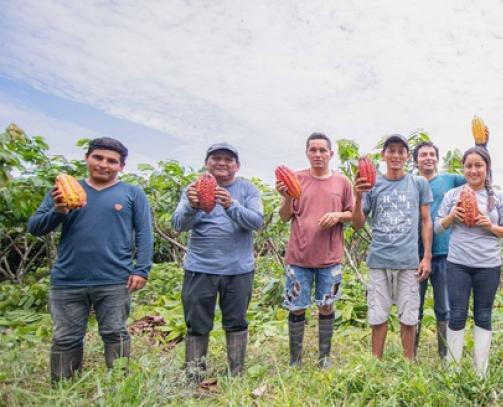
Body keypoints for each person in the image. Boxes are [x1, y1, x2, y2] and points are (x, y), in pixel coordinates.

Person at [28, 137, 153, 382]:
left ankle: (118, 384)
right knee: (65, 337)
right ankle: (63, 387)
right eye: (98, 157)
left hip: (115, 278)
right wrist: (58, 211)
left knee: (115, 333)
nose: (104, 164)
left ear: (121, 166)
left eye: (112, 161)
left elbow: (144, 233)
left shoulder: (132, 193)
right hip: (68, 278)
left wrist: (142, 269)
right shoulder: (62, 190)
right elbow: (35, 227)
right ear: (87, 158)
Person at [172, 143, 263, 382]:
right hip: (200, 268)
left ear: (237, 166)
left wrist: (231, 205)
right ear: (206, 163)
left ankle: (236, 374)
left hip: (238, 269)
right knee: (197, 323)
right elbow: (178, 225)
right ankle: (194, 375)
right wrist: (192, 206)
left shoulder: (247, 190)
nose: (222, 163)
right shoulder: (192, 189)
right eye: (216, 158)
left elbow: (256, 222)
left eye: (228, 159)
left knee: (236, 322)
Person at [352, 134, 433, 360]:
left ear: (407, 156)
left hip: (408, 261)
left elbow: (426, 220)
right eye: (391, 151)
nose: (396, 155)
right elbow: (357, 224)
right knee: (378, 315)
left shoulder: (419, 183)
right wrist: (357, 197)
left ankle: (408, 362)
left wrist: (426, 257)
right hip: (379, 260)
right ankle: (376, 362)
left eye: (401, 151)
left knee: (409, 317)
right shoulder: (372, 185)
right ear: (383, 155)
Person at [435, 146, 503, 376]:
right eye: (468, 166)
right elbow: (438, 227)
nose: (473, 170)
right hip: (458, 264)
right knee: (457, 313)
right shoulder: (453, 195)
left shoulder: (497, 197)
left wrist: (490, 226)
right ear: (463, 169)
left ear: (487, 168)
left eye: (478, 165)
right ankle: (453, 370)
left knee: (483, 314)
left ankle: (481, 371)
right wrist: (452, 216)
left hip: (488, 265)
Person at [277, 132, 354, 368]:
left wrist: (337, 215)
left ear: (331, 154)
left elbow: (352, 214)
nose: (318, 154)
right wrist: (286, 198)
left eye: (322, 150)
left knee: (326, 305)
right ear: (307, 153)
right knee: (297, 307)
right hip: (298, 257)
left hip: (330, 258)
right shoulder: (296, 179)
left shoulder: (342, 182)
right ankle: (295, 360)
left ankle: (324, 358)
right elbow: (284, 216)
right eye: (313, 150)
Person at [412, 141, 465, 359]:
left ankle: (445, 356)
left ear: (437, 158)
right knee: (414, 306)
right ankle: (410, 355)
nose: (428, 158)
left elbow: (479, 176)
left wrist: (482, 146)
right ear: (415, 161)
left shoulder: (450, 180)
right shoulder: (410, 183)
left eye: (432, 154)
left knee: (444, 307)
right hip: (415, 254)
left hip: (444, 253)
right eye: (423, 155)